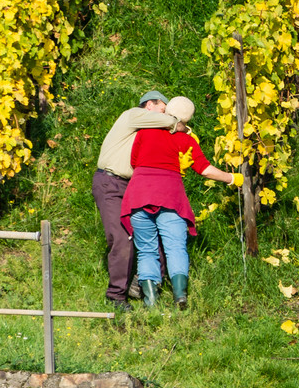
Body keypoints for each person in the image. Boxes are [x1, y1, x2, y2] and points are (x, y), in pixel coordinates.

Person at [122, 97, 235, 309]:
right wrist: (232, 178)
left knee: (146, 250)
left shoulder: (144, 132)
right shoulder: (187, 140)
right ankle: (180, 296)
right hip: (170, 195)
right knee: (175, 247)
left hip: (139, 194)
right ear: (187, 119)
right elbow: (204, 169)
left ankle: (151, 301)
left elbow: (134, 161)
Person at [92, 91, 181, 311]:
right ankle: (116, 297)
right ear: (150, 105)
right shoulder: (133, 115)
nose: (166, 112)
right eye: (163, 107)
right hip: (111, 183)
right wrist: (179, 121)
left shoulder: (147, 130)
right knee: (122, 238)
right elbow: (173, 122)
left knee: (153, 233)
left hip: (134, 185)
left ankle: (141, 285)